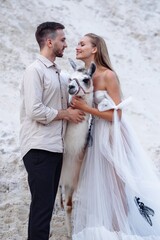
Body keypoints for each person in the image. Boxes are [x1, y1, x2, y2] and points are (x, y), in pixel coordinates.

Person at [71, 33, 160, 240]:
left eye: (82, 44)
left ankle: (122, 230)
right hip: (96, 133)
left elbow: (117, 115)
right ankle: (109, 228)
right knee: (101, 185)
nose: (77, 47)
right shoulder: (84, 75)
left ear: (94, 49)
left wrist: (86, 107)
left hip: (113, 135)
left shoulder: (108, 75)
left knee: (116, 183)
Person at [19, 22, 85, 240]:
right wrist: (66, 114)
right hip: (39, 148)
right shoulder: (34, 71)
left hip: (56, 149)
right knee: (42, 210)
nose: (66, 44)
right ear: (50, 42)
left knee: (46, 209)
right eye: (63, 40)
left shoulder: (60, 74)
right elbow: (34, 110)